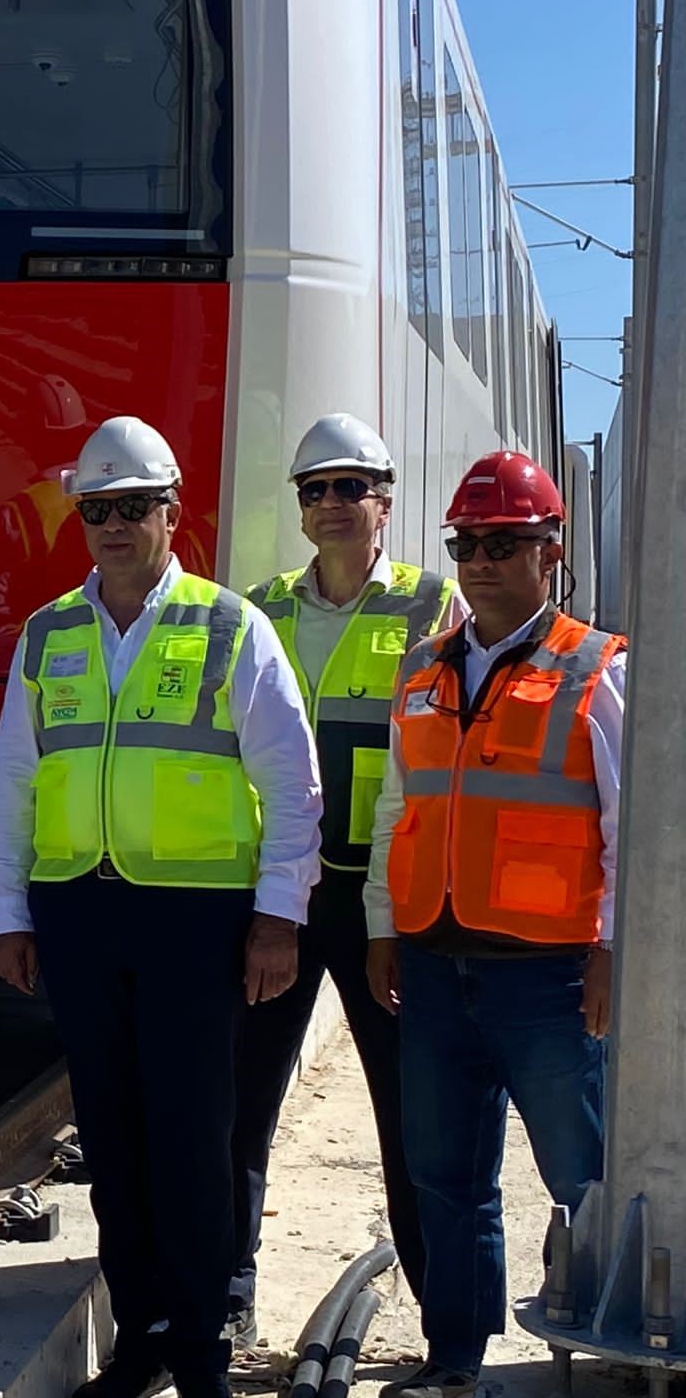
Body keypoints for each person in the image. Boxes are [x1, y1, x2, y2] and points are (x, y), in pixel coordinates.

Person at [0, 416, 324, 1398]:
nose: (114, 525)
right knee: (113, 1139)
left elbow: (291, 787)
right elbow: (14, 778)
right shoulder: (47, 636)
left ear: (171, 513)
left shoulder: (227, 627)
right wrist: (8, 905)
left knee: (190, 1137)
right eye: (97, 510)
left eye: (133, 507)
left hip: (194, 919)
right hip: (79, 915)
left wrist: (275, 916)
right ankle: (140, 1339)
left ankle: (201, 1355)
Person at [365, 452, 623, 1398]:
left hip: (547, 976)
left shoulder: (596, 670)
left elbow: (631, 828)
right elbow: (400, 810)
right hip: (436, 966)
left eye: (503, 542)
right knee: (446, 1178)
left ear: (548, 551)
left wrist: (610, 956)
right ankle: (456, 1362)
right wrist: (383, 928)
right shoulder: (423, 670)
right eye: (466, 543)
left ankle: (612, 1354)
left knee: (585, 1181)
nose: (479, 560)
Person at [229, 416, 462, 1342]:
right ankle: (231, 1291)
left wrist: (400, 914)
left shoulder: (429, 606)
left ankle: (441, 1309)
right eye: (314, 490)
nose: (330, 504)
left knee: (410, 1114)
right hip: (283, 895)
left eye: (349, 487)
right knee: (243, 1100)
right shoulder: (264, 607)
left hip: (384, 898)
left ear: (384, 503)